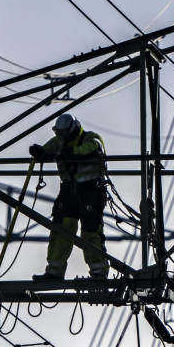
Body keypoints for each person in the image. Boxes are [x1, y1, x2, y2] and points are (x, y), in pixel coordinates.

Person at [29, 113, 110, 280]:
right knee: (61, 229)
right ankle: (54, 271)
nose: (61, 137)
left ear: (73, 129)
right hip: (69, 191)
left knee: (90, 231)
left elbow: (88, 150)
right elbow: (48, 149)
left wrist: (69, 152)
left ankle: (98, 271)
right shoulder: (59, 141)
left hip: (90, 191)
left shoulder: (91, 138)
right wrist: (40, 152)